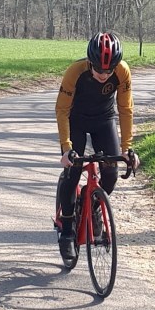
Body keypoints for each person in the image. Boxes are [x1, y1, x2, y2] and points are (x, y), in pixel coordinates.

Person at [54, 31, 140, 260]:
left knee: (111, 174)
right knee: (72, 172)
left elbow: (126, 109)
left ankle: (92, 205)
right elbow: (62, 110)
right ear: (90, 63)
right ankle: (67, 231)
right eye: (99, 70)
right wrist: (66, 148)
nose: (104, 75)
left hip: (104, 120)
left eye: (109, 70)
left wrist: (127, 149)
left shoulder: (122, 71)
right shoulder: (75, 71)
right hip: (76, 120)